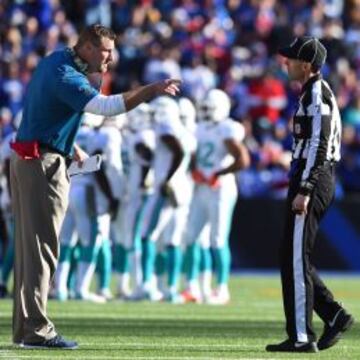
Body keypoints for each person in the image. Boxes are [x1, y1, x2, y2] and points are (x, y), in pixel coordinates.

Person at [10, 24, 180, 350]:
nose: (110, 58)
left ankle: (26, 329)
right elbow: (106, 107)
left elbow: (44, 113)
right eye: (105, 51)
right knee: (41, 250)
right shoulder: (66, 73)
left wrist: (69, 146)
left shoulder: (55, 60)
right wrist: (151, 90)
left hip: (37, 155)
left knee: (32, 250)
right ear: (86, 47)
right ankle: (36, 330)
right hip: (40, 163)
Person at [266, 36, 354, 353]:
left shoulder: (316, 95)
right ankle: (334, 315)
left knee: (294, 258)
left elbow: (317, 147)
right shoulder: (310, 92)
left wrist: (304, 188)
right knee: (292, 257)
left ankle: (303, 336)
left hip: (313, 179)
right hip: (310, 177)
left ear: (306, 64)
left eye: (291, 59)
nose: (285, 63)